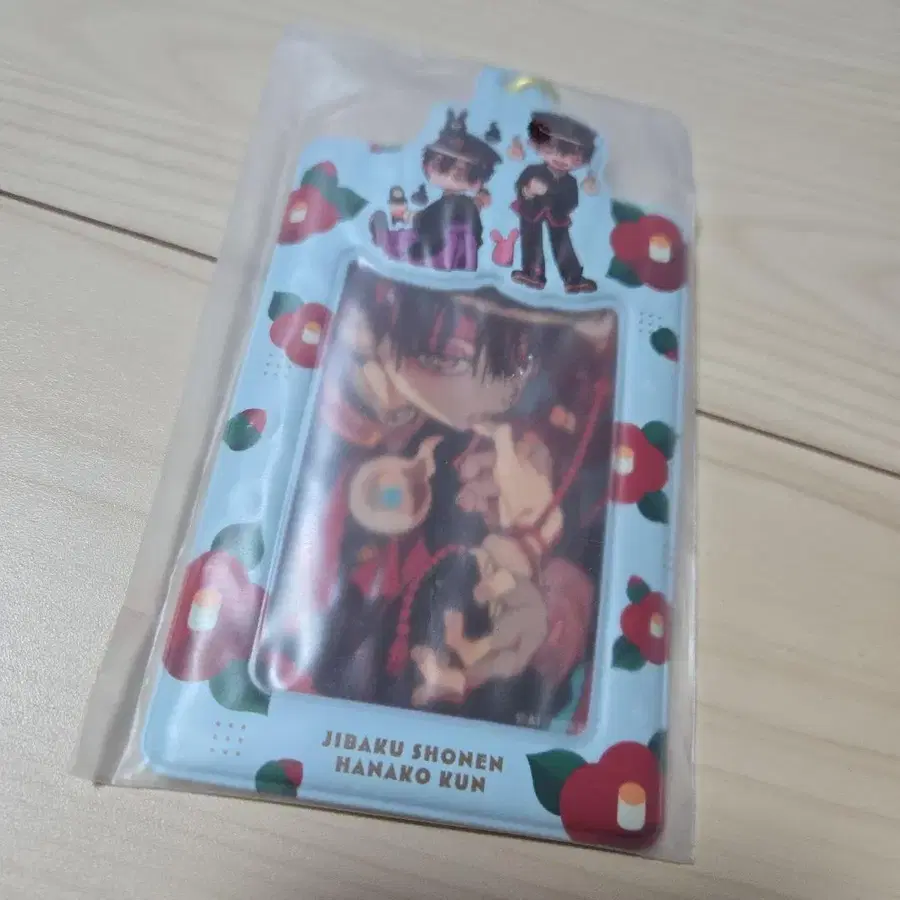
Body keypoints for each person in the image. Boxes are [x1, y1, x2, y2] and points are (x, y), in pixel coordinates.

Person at [370, 110, 501, 270]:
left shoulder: (462, 205)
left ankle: (392, 241)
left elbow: (437, 225)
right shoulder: (456, 204)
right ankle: (389, 239)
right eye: (445, 164)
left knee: (421, 236)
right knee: (415, 234)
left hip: (444, 244)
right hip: (443, 241)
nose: (454, 172)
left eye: (465, 171)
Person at [511, 112, 598, 293]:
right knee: (531, 240)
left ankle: (573, 278)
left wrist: (562, 206)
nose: (560, 158)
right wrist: (529, 191)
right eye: (551, 150)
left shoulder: (570, 182)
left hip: (557, 215)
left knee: (563, 245)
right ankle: (532, 273)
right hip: (531, 210)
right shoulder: (533, 170)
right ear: (537, 145)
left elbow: (572, 201)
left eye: (573, 155)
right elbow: (520, 186)